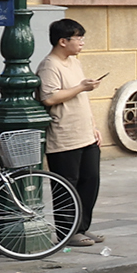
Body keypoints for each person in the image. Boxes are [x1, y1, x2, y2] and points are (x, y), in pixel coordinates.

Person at [37, 18, 105, 246]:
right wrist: (80, 87)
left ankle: (82, 226)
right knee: (67, 185)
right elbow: (49, 97)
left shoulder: (74, 62)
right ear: (62, 41)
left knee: (90, 180)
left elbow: (82, 98)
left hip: (84, 132)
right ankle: (68, 231)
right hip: (64, 135)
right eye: (79, 38)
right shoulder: (50, 65)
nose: (82, 43)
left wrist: (94, 126)